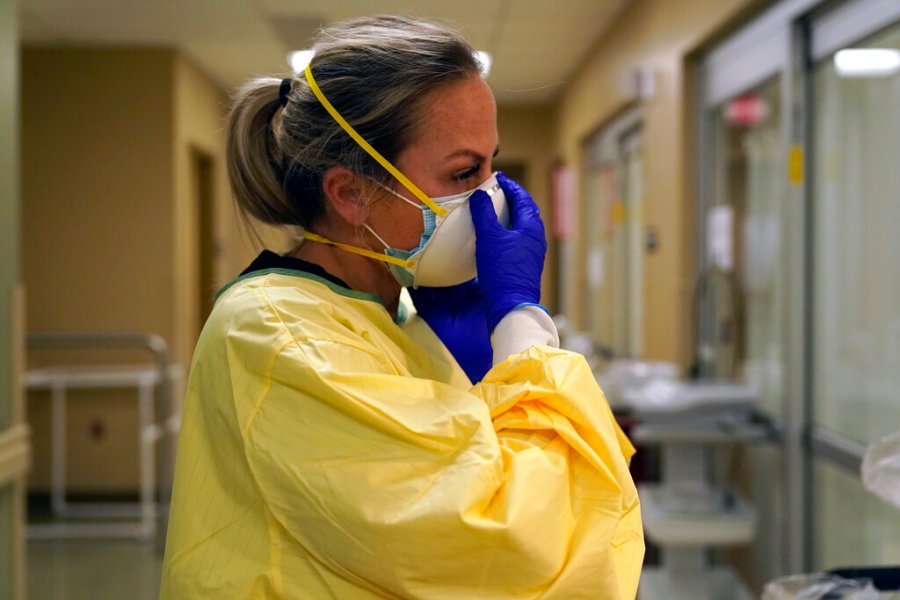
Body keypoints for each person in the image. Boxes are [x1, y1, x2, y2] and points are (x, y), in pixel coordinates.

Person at [160, 15, 643, 599]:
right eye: (465, 172)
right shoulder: (279, 331)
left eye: (494, 164)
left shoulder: (392, 314)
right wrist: (520, 324)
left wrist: (478, 370)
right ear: (350, 192)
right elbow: (516, 545)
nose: (492, 196)